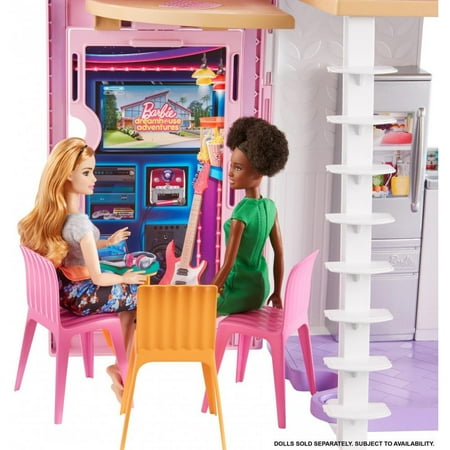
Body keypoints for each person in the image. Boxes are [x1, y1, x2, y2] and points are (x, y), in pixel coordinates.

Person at [17, 137, 147, 400]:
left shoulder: (56, 216)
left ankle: (120, 363)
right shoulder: (81, 223)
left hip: (66, 293)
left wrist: (107, 243)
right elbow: (98, 277)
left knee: (128, 302)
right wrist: (125, 276)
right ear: (68, 174)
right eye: (87, 172)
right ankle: (122, 367)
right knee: (142, 295)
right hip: (82, 296)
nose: (94, 179)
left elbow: (77, 248)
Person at [213, 117, 289, 316]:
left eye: (238, 168)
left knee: (191, 309)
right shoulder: (270, 206)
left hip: (239, 291)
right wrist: (277, 293)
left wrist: (209, 292)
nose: (230, 173)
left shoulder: (241, 213)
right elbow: (279, 254)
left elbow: (229, 264)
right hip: (261, 290)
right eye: (231, 166)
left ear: (259, 172)